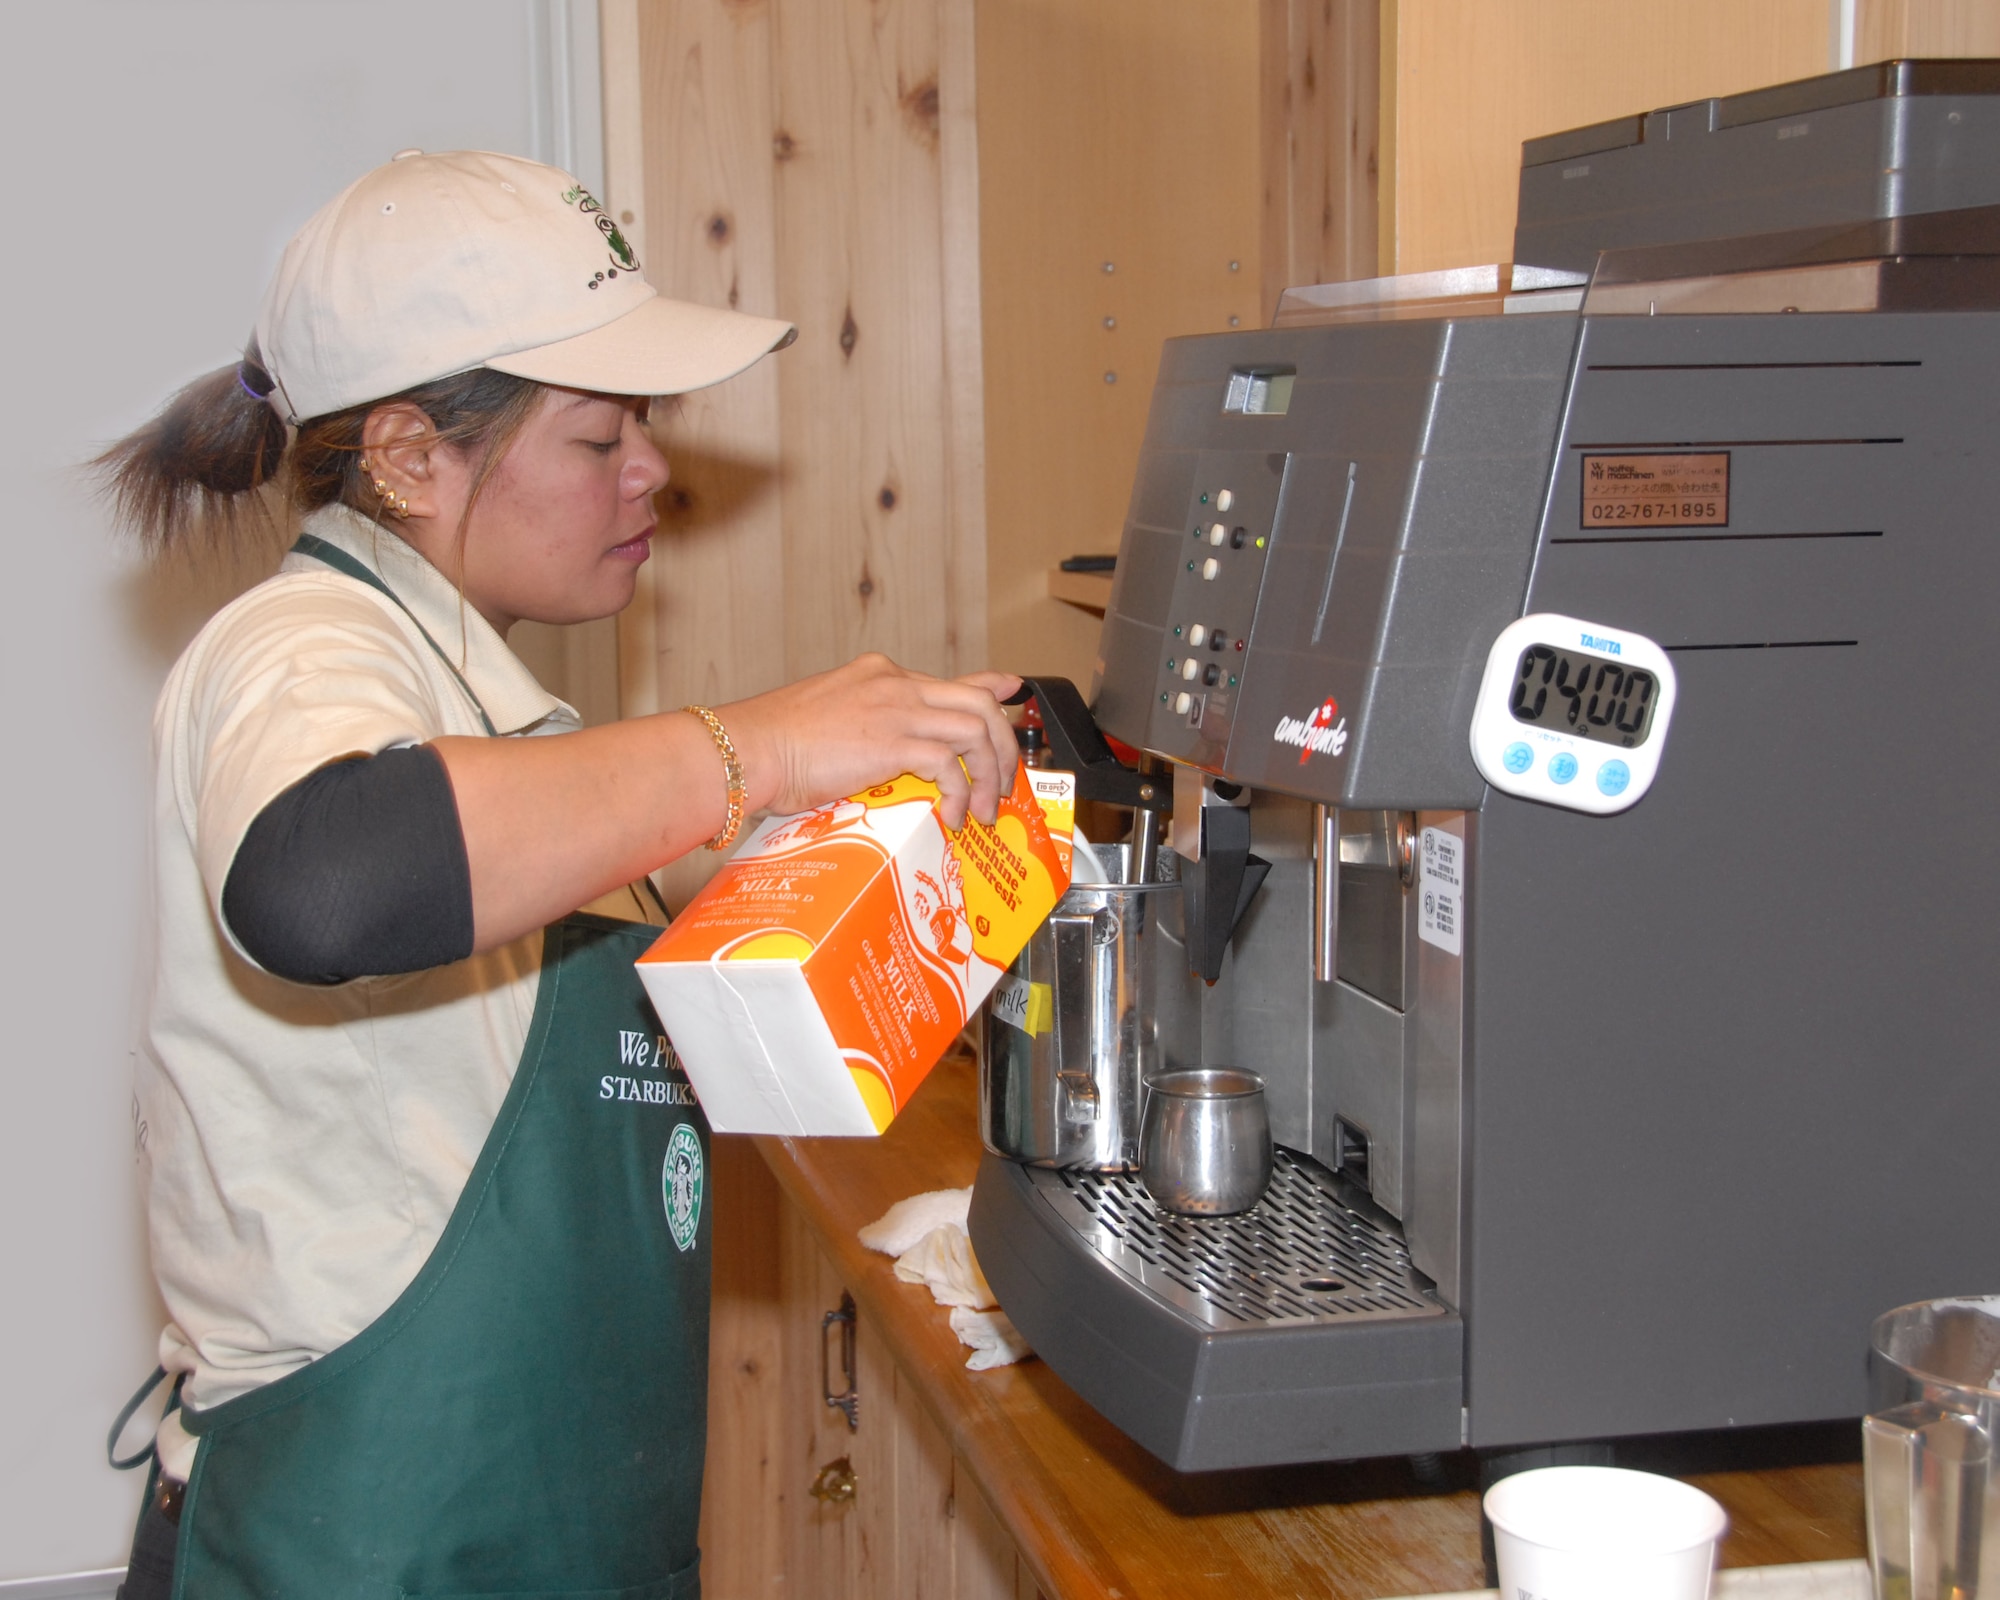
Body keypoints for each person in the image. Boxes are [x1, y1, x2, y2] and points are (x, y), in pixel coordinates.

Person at [97, 148, 1019, 1600]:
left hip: (551, 1532)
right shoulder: (301, 649)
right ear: (408, 455)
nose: (654, 467)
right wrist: (758, 748)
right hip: (362, 1541)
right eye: (601, 440)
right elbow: (322, 882)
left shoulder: (501, 723)